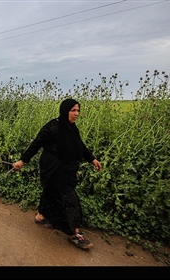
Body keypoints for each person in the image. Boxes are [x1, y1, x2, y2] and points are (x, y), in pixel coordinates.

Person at [13, 98, 102, 250]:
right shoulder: (53, 127)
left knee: (50, 193)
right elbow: (37, 144)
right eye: (73, 110)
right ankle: (74, 233)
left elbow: (80, 146)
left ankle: (41, 215)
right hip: (53, 170)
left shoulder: (72, 129)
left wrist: (92, 159)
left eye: (78, 110)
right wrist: (23, 161)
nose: (76, 114)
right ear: (64, 110)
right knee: (68, 201)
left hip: (67, 169)